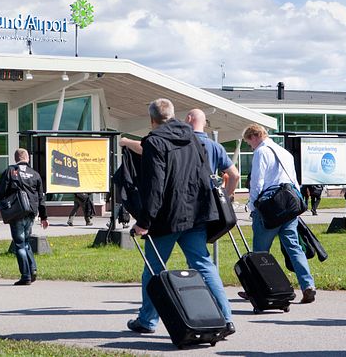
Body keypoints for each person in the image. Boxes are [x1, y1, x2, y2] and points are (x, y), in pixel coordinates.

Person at [121, 99, 235, 337]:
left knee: (154, 268)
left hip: (168, 217)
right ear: (173, 116)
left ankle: (147, 321)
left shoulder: (154, 141)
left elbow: (155, 185)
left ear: (152, 119)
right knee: (204, 265)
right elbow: (204, 172)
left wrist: (144, 222)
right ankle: (225, 318)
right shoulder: (193, 137)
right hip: (196, 213)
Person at [243, 123, 316, 304]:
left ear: (254, 136)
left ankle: (258, 289)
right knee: (294, 247)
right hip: (289, 206)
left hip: (269, 208)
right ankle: (308, 285)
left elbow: (257, 182)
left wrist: (252, 206)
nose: (250, 146)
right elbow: (294, 181)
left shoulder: (261, 152)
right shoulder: (285, 153)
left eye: (248, 142)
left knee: (260, 252)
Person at [0, 148, 49, 286]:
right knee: (26, 242)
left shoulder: (10, 171)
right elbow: (41, 197)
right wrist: (44, 217)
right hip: (31, 213)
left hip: (17, 212)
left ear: (15, 159)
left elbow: (1, 190)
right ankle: (33, 270)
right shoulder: (35, 174)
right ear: (28, 158)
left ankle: (25, 276)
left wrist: (5, 204)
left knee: (19, 244)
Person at [185, 109, 240, 198]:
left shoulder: (178, 143)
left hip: (184, 201)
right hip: (208, 200)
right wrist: (225, 196)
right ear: (204, 123)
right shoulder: (216, 147)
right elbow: (235, 175)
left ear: (188, 119)